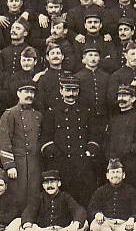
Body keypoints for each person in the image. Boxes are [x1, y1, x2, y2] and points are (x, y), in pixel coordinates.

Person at [40, 74, 99, 208]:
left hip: (82, 162)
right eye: (68, 90)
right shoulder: (52, 112)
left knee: (85, 195)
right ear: (61, 91)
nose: (71, 94)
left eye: (74, 90)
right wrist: (56, 155)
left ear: (78, 91)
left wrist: (90, 151)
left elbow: (94, 135)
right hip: (62, 163)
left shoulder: (86, 111)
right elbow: (45, 138)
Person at [0, 82, 43, 210]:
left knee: (34, 195)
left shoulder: (38, 116)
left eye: (32, 92)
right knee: (18, 196)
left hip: (34, 164)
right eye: (26, 92)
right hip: (18, 164)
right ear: (18, 93)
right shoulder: (9, 114)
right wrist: (9, 165)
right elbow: (3, 141)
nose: (29, 95)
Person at [20, 170, 89, 231]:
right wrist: (27, 226)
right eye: (46, 183)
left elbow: (79, 210)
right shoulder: (39, 198)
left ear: (59, 183)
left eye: (52, 182)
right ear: (43, 185)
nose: (49, 185)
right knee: (21, 226)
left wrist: (76, 223)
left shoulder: (65, 197)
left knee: (84, 223)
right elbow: (29, 212)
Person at [105, 85, 136, 192]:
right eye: (119, 96)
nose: (121, 99)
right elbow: (108, 141)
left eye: (125, 96)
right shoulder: (114, 119)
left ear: (133, 99)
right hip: (116, 167)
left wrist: (130, 148)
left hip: (133, 165)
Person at [88, 159, 136, 231]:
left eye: (118, 172)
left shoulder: (131, 190)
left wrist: (132, 219)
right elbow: (92, 208)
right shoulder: (100, 191)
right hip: (107, 225)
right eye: (113, 172)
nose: (115, 175)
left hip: (125, 225)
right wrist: (97, 214)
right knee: (94, 225)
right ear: (107, 176)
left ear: (123, 175)